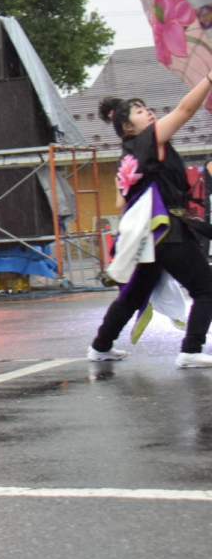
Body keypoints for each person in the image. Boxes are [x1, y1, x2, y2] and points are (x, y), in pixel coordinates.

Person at [89, 75, 212, 368]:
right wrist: (208, 79)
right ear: (128, 127)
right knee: (206, 289)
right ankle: (191, 350)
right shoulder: (148, 140)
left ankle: (100, 347)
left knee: (134, 294)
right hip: (167, 230)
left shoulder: (128, 156)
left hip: (147, 237)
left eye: (145, 107)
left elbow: (121, 202)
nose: (148, 111)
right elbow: (184, 111)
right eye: (139, 111)